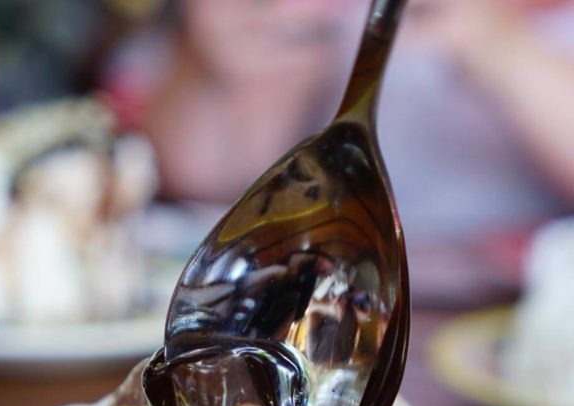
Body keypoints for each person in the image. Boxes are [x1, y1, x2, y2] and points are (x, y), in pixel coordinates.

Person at [107, 0, 574, 246]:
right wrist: (226, 58)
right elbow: (211, 176)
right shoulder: (339, 15)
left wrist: (500, 48)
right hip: (341, 300)